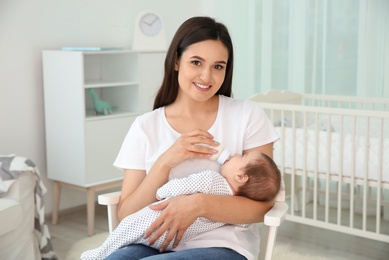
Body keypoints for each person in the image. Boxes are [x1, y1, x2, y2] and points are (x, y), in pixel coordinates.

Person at [107, 16, 279, 260]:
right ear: (177, 61)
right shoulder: (145, 127)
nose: (206, 77)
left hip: (223, 245)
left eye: (218, 66)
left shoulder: (247, 115)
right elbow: (126, 213)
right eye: (196, 62)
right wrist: (166, 161)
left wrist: (197, 205)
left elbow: (262, 205)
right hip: (154, 240)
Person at [81, 151, 281, 260]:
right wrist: (164, 163)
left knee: (124, 233)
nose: (237, 153)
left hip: (165, 227)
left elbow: (181, 186)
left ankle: (97, 254)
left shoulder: (212, 180)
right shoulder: (232, 203)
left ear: (241, 176)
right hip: (170, 238)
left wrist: (163, 193)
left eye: (243, 157)